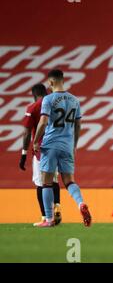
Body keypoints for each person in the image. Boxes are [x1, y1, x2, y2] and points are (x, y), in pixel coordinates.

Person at [33, 69, 92, 227]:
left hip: (50, 144)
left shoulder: (48, 99)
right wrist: (74, 145)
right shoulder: (74, 100)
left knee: (46, 182)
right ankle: (81, 203)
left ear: (51, 83)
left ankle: (49, 219)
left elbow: (43, 122)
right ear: (63, 80)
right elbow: (78, 125)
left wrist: (36, 140)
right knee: (69, 181)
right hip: (67, 145)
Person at [20, 83, 62, 226]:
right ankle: (57, 206)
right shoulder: (57, 105)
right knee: (54, 180)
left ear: (34, 94)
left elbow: (26, 133)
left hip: (41, 150)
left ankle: (45, 217)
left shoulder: (33, 107)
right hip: (58, 147)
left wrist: (24, 153)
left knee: (41, 183)